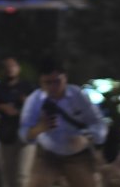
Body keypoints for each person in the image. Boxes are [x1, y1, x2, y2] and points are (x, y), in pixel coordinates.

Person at [19, 55, 107, 187]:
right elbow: (23, 132)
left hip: (77, 155)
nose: (53, 87)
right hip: (47, 154)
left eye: (57, 82)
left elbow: (99, 123)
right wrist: (39, 128)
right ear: (41, 82)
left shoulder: (78, 96)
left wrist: (86, 137)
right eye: (47, 83)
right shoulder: (35, 100)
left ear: (65, 78)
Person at [0, 55, 34, 187]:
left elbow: (40, 106)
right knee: (8, 176)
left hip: (26, 135)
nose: (10, 69)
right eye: (7, 67)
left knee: (23, 176)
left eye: (12, 66)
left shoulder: (27, 86)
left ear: (18, 68)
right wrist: (1, 107)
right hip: (6, 135)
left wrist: (26, 102)